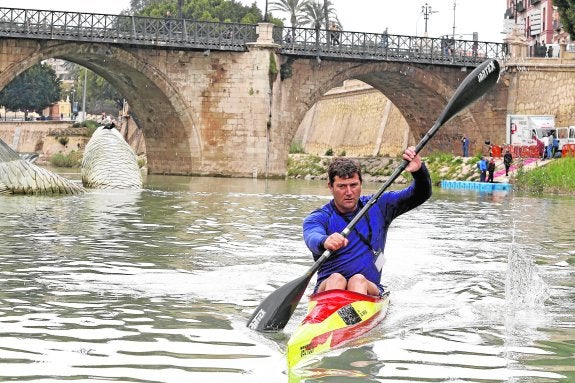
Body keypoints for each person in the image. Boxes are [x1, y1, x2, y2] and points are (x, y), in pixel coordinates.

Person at [302, 148, 432, 296]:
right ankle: (334, 314)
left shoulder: (380, 205)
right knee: (336, 279)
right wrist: (325, 241)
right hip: (329, 288)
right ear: (331, 187)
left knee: (357, 281)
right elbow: (312, 236)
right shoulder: (320, 217)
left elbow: (421, 194)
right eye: (342, 186)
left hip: (368, 290)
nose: (349, 192)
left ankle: (353, 315)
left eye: (353, 185)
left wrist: (419, 171)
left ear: (361, 184)